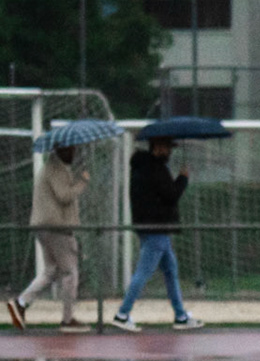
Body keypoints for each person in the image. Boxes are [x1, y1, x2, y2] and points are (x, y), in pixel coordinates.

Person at [110, 136, 202, 332]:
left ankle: (180, 316)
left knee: (170, 270)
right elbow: (171, 195)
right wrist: (183, 178)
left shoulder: (142, 166)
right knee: (143, 272)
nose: (170, 151)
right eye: (168, 147)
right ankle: (122, 314)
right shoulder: (156, 168)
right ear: (158, 147)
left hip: (149, 226)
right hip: (156, 227)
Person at [8, 144, 90, 334]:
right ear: (61, 150)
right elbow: (64, 195)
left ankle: (21, 303)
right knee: (70, 272)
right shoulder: (54, 168)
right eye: (71, 150)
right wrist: (82, 182)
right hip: (56, 228)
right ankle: (67, 320)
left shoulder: (55, 168)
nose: (74, 154)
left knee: (51, 271)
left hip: (46, 227)